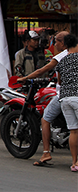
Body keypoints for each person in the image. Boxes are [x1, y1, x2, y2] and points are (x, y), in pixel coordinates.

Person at [19, 31, 69, 166]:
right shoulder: (74, 55)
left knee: (45, 119)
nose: (54, 44)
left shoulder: (61, 56)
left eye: (56, 42)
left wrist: (25, 78)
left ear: (62, 43)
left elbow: (42, 70)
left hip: (63, 95)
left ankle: (46, 152)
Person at [54, 33, 78, 172]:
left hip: (65, 98)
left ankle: (74, 163)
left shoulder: (62, 61)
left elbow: (60, 81)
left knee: (74, 131)